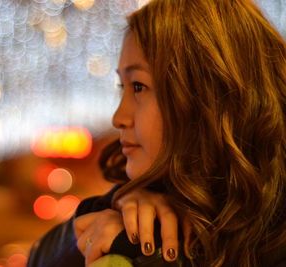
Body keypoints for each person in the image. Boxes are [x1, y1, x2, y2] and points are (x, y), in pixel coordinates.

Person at [27, 0, 286, 266]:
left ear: (207, 95)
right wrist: (99, 216)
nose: (118, 118)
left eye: (138, 86)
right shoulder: (128, 211)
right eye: (122, 87)